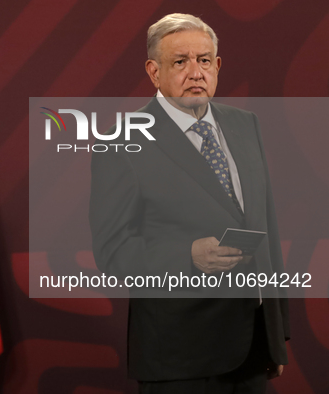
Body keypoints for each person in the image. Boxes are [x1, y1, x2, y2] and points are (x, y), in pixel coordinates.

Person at [89, 13, 289, 394]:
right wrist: (188, 255)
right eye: (180, 61)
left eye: (204, 60)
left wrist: (277, 335)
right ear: (154, 71)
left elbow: (267, 229)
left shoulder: (245, 125)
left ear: (217, 66)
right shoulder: (121, 143)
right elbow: (112, 252)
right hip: (180, 359)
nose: (195, 72)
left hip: (253, 350)